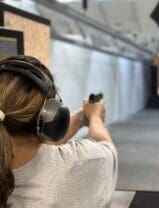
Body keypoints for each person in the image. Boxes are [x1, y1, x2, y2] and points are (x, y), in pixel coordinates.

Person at [0, 55, 118, 208]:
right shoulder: (79, 162)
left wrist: (82, 116)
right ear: (52, 117)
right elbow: (107, 148)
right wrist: (95, 117)